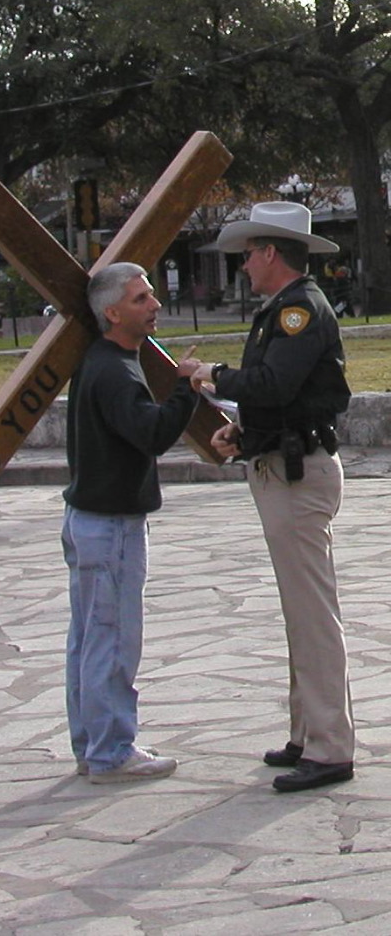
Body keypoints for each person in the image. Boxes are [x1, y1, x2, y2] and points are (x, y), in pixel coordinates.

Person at [192, 201, 354, 794]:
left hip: (298, 474)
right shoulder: (281, 310)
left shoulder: (297, 311)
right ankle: (307, 732)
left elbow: (272, 383)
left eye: (246, 254)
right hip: (281, 461)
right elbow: (284, 399)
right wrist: (244, 431)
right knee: (300, 612)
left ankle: (331, 746)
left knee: (312, 615)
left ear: (269, 252)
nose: (241, 266)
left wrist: (211, 374)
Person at [63, 262, 200, 783]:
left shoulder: (100, 361)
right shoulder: (116, 372)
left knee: (88, 639)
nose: (155, 304)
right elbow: (153, 434)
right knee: (113, 639)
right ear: (113, 312)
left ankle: (91, 743)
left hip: (88, 519)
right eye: (142, 299)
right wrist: (186, 387)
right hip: (110, 525)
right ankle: (110, 750)